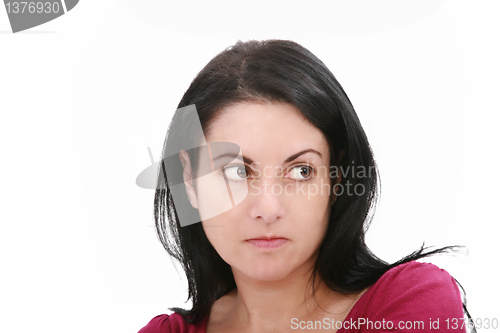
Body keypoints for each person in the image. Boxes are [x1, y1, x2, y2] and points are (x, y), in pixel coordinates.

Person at [139, 40, 473, 332]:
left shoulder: (409, 304)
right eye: (236, 172)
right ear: (190, 183)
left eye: (301, 171)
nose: (268, 209)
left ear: (336, 178)